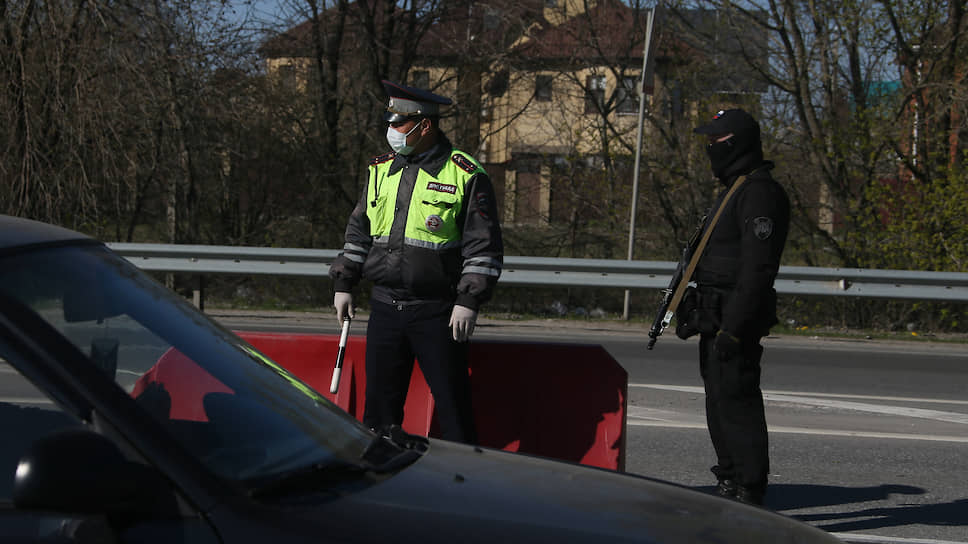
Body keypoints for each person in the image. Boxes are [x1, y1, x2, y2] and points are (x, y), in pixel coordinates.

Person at [328, 80, 504, 444]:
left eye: (399, 124)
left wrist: (468, 300)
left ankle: (462, 485)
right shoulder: (380, 170)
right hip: (385, 307)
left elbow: (483, 247)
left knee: (453, 408)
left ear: (425, 125)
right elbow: (359, 232)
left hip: (437, 312)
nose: (391, 131)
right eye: (389, 123)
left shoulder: (465, 173)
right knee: (378, 413)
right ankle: (383, 479)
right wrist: (344, 282)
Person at [676, 108, 790, 505]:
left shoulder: (760, 193)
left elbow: (757, 269)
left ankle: (749, 487)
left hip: (734, 318)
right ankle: (729, 478)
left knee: (737, 404)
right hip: (715, 313)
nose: (709, 149)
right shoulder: (735, 189)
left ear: (736, 144)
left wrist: (734, 328)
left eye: (715, 142)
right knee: (719, 400)